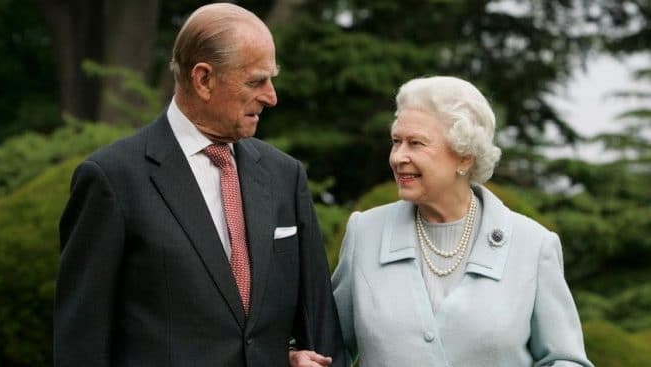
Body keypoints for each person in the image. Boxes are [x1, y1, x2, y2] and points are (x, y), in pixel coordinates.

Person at [54, 3, 344, 366]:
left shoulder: (285, 176)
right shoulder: (111, 179)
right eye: (256, 81)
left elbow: (319, 329)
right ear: (203, 79)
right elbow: (81, 346)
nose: (271, 96)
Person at [292, 76, 593, 366]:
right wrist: (294, 357)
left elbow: (565, 360)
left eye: (416, 143)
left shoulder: (533, 245)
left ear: (465, 157)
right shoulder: (365, 234)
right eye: (396, 142)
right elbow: (326, 348)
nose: (398, 157)